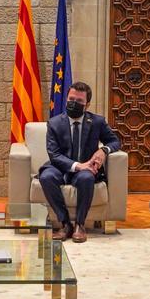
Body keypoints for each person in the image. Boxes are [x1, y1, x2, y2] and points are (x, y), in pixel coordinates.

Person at [38, 81, 122, 243]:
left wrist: (103, 150)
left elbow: (115, 142)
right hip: (60, 168)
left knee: (86, 177)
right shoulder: (54, 123)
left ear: (87, 105)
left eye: (79, 101)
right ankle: (65, 224)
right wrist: (77, 165)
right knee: (46, 176)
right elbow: (54, 154)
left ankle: (80, 225)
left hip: (85, 170)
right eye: (71, 99)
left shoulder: (97, 122)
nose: (73, 104)